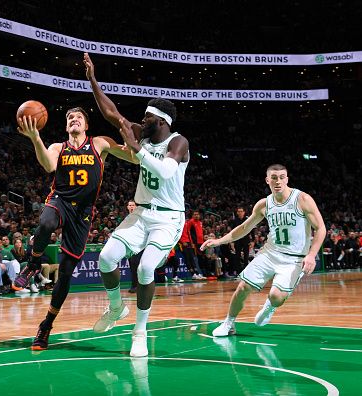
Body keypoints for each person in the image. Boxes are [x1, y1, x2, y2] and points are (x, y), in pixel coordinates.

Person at [84, 52, 189, 357]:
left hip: (168, 219)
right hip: (142, 213)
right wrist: (92, 79)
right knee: (106, 258)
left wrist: (136, 151)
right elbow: (112, 114)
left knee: (145, 268)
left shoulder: (178, 143)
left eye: (147, 119)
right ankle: (117, 309)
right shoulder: (144, 136)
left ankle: (140, 332)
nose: (141, 122)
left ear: (162, 121)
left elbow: (167, 170)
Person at [12, 95, 136, 350]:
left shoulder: (100, 144)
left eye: (78, 117)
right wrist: (36, 138)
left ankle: (46, 324)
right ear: (66, 126)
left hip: (83, 215)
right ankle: (33, 264)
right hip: (60, 201)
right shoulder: (59, 147)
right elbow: (47, 165)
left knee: (65, 275)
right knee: (46, 223)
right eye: (70, 118)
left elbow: (133, 158)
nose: (74, 120)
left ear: (86, 125)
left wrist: (133, 140)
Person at [200, 164, 326, 336]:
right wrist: (219, 241)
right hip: (270, 253)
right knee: (243, 287)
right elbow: (244, 228)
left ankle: (270, 305)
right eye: (274, 177)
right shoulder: (263, 204)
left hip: (294, 259)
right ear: (267, 180)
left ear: (287, 179)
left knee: (276, 296)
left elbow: (321, 228)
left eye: (282, 177)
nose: (278, 181)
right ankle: (229, 323)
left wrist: (311, 255)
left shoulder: (302, 199)